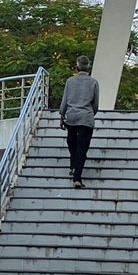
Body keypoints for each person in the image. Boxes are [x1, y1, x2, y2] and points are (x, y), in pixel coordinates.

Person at [59, 55, 99, 189]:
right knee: (82, 147)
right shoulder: (94, 82)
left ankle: (73, 165)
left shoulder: (70, 81)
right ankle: (77, 177)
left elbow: (64, 101)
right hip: (86, 117)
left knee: (71, 141)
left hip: (72, 117)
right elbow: (95, 104)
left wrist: (62, 115)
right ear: (89, 67)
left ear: (77, 67)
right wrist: (89, 114)